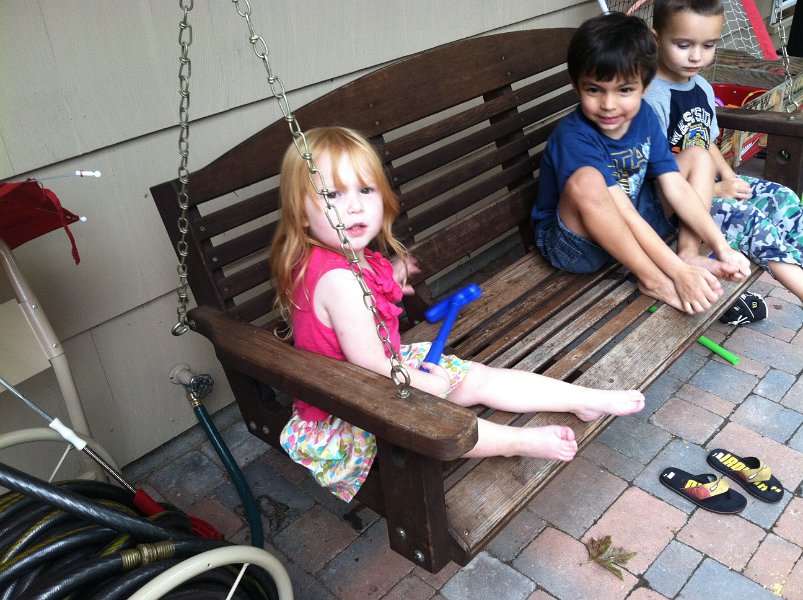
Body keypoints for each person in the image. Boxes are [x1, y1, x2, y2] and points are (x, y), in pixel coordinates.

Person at [268, 126, 646, 502]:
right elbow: (370, 364)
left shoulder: (343, 256)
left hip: (381, 370)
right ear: (302, 213)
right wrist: (427, 385)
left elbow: (353, 321)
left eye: (365, 190)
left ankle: (581, 398)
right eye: (332, 194)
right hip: (351, 406)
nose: (354, 206)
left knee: (475, 377)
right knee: (434, 417)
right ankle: (515, 441)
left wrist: (390, 281)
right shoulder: (339, 281)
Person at [530, 12, 751, 316]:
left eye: (624, 90)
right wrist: (674, 274)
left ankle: (688, 253)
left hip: (631, 219)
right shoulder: (573, 137)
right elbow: (622, 212)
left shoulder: (644, 115)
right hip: (576, 244)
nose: (609, 104)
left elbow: (674, 184)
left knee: (698, 154)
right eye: (594, 89)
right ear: (576, 86)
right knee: (586, 181)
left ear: (646, 86)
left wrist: (721, 246)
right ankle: (652, 280)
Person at [644, 0, 803, 304]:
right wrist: (716, 190)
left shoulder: (701, 87)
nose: (696, 56)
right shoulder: (651, 98)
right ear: (656, 39)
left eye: (708, 45)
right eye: (683, 45)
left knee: (783, 198)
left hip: (709, 185)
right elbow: (656, 176)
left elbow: (706, 141)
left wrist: (730, 177)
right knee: (751, 221)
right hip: (675, 204)